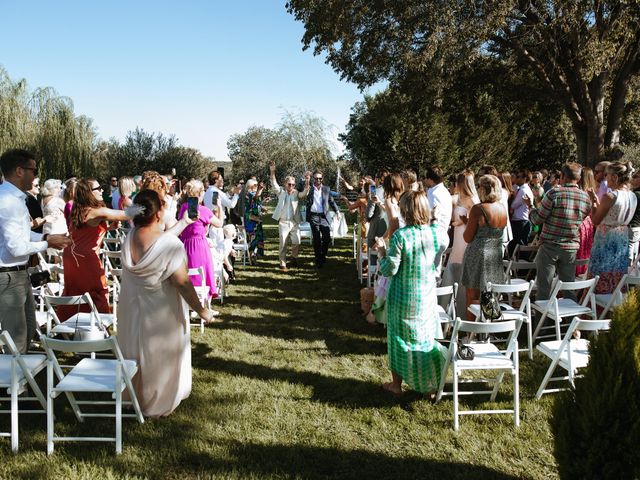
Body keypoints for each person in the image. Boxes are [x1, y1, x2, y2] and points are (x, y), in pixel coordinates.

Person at [118, 190, 213, 418]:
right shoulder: (170, 244)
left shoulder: (128, 237)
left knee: (134, 351)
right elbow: (182, 283)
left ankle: (133, 396)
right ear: (159, 212)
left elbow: (159, 241)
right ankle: (157, 401)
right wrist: (202, 310)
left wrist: (181, 224)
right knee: (159, 353)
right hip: (160, 310)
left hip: (131, 307)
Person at [375, 190, 448, 398]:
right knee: (425, 339)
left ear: (405, 210)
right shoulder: (436, 233)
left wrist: (381, 251)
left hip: (402, 297)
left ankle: (396, 385)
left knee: (398, 339)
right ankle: (430, 387)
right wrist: (433, 219)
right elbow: (443, 243)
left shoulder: (401, 236)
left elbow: (389, 270)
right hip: (425, 295)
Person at [0, 149, 71, 352]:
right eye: (34, 170)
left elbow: (23, 235)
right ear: (19, 171)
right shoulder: (7, 201)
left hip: (18, 274)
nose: (36, 175)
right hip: (7, 277)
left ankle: (18, 380)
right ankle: (15, 384)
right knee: (17, 338)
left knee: (29, 329)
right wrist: (48, 244)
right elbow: (17, 248)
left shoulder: (15, 198)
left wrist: (47, 238)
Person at [61, 179, 130, 319]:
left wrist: (108, 228)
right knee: (96, 290)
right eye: (98, 188)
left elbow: (85, 232)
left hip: (71, 255)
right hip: (85, 258)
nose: (102, 190)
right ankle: (97, 326)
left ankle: (73, 325)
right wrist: (147, 206)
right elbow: (126, 215)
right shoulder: (97, 211)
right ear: (89, 193)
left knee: (75, 291)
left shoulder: (78, 208)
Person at [526, 163, 592, 301]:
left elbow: (537, 219)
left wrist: (531, 208)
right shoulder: (585, 197)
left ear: (562, 176)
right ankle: (569, 320)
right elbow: (583, 217)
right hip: (571, 247)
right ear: (578, 178)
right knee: (568, 287)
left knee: (544, 287)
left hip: (550, 246)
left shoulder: (554, 193)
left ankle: (541, 321)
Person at [460, 175, 507, 320]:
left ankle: (471, 331)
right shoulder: (502, 208)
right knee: (490, 294)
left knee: (472, 295)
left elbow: (467, 237)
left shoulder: (478, 209)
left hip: (478, 254)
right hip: (495, 254)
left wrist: (467, 223)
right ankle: (487, 331)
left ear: (483, 189)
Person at [588, 161, 637, 294]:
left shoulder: (610, 196)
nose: (605, 177)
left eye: (607, 175)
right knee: (617, 273)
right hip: (622, 238)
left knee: (600, 273)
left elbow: (595, 220)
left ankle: (596, 308)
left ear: (614, 177)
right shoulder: (633, 196)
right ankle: (613, 305)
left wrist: (593, 202)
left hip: (606, 238)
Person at [441, 170, 479, 318]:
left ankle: (463, 314)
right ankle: (444, 311)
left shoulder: (473, 200)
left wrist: (465, 221)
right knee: (451, 274)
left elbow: (476, 225)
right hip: (457, 239)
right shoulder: (458, 198)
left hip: (466, 241)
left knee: (462, 276)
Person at [178, 179, 223, 299]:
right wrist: (219, 207)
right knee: (202, 274)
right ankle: (203, 305)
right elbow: (219, 223)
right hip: (199, 246)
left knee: (188, 273)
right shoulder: (204, 210)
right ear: (199, 193)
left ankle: (189, 301)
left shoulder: (183, 208)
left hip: (184, 244)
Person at [269, 162, 310, 271]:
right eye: (289, 184)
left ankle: (294, 258)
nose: (291, 186)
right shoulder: (280, 192)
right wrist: (272, 171)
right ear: (285, 184)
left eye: (293, 184)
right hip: (283, 222)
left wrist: (307, 181)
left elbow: (304, 193)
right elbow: (273, 182)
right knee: (283, 244)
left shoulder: (296, 193)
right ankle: (282, 263)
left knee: (297, 241)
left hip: (294, 222)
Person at [305, 170, 339, 268]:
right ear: (313, 179)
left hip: (324, 217)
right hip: (313, 216)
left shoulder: (326, 189)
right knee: (316, 239)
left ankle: (323, 255)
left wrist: (337, 211)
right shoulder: (309, 190)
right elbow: (302, 191)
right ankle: (318, 260)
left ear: (322, 179)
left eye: (320, 178)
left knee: (326, 238)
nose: (318, 180)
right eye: (316, 178)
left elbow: (331, 202)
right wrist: (306, 180)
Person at [424, 166, 453, 277]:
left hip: (434, 236)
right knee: (435, 270)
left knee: (430, 273)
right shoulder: (444, 191)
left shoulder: (435, 193)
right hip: (442, 235)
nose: (425, 181)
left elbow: (434, 215)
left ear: (430, 179)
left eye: (426, 178)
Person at [576, 167, 597, 275]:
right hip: (588, 225)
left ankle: (575, 276)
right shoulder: (592, 193)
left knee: (579, 251)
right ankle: (582, 275)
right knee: (585, 251)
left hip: (580, 224)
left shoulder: (580, 193)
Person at [508, 169, 533, 257]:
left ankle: (522, 269)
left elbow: (514, 205)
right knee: (517, 246)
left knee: (518, 247)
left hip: (520, 221)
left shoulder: (523, 190)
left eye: (518, 177)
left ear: (524, 178)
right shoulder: (523, 189)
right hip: (521, 220)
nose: (516, 179)